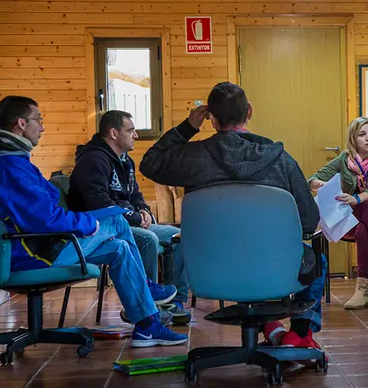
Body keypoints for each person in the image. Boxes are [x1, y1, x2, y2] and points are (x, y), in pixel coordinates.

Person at [0, 96, 188, 348]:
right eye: (38, 120)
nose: (42, 126)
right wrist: (87, 225)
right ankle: (148, 291)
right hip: (35, 253)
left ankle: (147, 327)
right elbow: (47, 220)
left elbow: (40, 213)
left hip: (20, 248)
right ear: (20, 123)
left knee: (120, 249)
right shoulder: (10, 168)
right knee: (115, 220)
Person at [139, 82, 327, 349]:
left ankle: (271, 327)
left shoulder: (193, 158)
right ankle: (299, 333)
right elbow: (309, 221)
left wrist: (188, 127)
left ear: (211, 120)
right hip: (275, 267)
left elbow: (150, 163)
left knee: (239, 247)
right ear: (249, 111)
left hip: (211, 269)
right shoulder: (281, 160)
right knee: (316, 259)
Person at [67, 111, 190, 323]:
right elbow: (98, 203)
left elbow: (135, 195)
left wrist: (144, 211)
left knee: (178, 235)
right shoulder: (93, 160)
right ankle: (147, 305)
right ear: (114, 133)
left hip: (130, 221)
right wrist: (135, 218)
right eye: (131, 130)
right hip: (102, 229)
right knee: (147, 238)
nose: (136, 136)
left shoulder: (126, 161)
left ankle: (174, 303)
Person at [309, 117, 368, 310]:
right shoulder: (344, 159)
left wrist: (357, 199)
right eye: (362, 134)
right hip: (348, 222)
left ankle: (363, 291)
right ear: (353, 139)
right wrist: (317, 184)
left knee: (364, 223)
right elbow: (315, 177)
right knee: (361, 219)